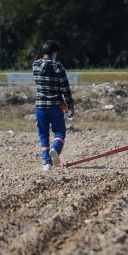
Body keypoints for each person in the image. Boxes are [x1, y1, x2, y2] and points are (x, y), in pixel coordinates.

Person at [33, 40, 74, 171]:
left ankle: (47, 163)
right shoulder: (58, 67)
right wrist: (70, 105)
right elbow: (65, 89)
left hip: (40, 107)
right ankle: (55, 149)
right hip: (56, 106)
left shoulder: (35, 65)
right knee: (60, 132)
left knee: (43, 134)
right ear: (54, 53)